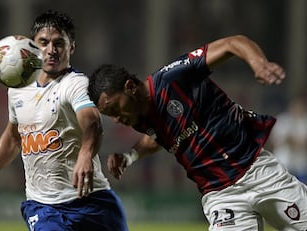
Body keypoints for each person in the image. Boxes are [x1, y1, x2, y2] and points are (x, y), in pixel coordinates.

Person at [87, 35, 307, 230]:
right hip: (221, 196)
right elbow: (159, 138)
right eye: (110, 115)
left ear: (130, 87)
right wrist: (130, 156)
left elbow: (233, 43)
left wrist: (259, 64)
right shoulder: (138, 118)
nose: (117, 119)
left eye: (115, 108)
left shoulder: (173, 77)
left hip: (257, 171)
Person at [0, 11, 128, 231]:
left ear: (71, 47)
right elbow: (14, 137)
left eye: (59, 43)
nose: (51, 50)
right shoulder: (17, 90)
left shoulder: (76, 84)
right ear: (33, 47)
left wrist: (85, 155)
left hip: (94, 202)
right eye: (43, 43)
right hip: (44, 207)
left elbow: (92, 123)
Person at [270, 96, 307, 184]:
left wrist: (297, 142)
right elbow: (276, 140)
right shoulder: (283, 120)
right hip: (284, 161)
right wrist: (288, 140)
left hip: (302, 163)